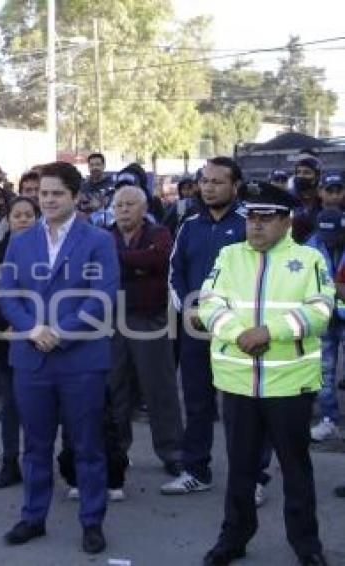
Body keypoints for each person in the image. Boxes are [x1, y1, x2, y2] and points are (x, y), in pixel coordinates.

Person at [198, 182, 332, 566]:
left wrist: (269, 331)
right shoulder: (229, 255)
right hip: (238, 382)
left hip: (290, 385)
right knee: (239, 469)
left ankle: (307, 545)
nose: (255, 226)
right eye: (250, 218)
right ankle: (233, 539)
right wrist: (236, 332)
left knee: (295, 470)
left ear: (286, 222)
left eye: (265, 218)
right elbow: (208, 303)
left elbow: (322, 311)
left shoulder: (309, 260)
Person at [0, 161, 119, 554]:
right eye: (43, 193)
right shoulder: (21, 241)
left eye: (56, 194)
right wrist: (33, 329)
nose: (47, 200)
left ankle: (91, 521)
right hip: (31, 358)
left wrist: (60, 333)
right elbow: (7, 293)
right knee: (35, 444)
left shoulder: (98, 240)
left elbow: (102, 297)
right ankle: (33, 517)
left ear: (75, 197)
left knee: (87, 445)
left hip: (81, 359)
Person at [164, 157, 250, 497]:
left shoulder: (250, 223)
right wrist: (187, 308)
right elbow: (175, 271)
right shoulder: (190, 224)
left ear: (235, 185)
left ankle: (252, 479)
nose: (209, 187)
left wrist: (228, 316)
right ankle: (196, 470)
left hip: (237, 331)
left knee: (241, 408)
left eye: (217, 181)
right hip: (195, 328)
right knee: (197, 403)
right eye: (205, 181)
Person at [107, 186, 183, 476]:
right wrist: (139, 263)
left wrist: (124, 261)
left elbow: (159, 261)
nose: (123, 210)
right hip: (112, 319)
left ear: (143, 209)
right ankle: (116, 453)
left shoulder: (159, 233)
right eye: (118, 205)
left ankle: (173, 452)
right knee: (115, 389)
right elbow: (103, 266)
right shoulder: (104, 235)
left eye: (129, 204)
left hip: (149, 319)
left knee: (159, 388)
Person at [0, 196, 40, 488]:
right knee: (10, 406)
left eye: (29, 214)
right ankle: (9, 462)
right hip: (4, 339)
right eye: (17, 214)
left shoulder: (46, 252)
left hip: (38, 338)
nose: (23, 219)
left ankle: (34, 463)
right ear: (8, 219)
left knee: (35, 407)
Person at [305, 208, 345, 442]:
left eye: (336, 236)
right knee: (324, 371)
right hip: (324, 316)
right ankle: (329, 420)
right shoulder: (312, 245)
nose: (329, 242)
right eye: (325, 237)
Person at [291, 156, 323, 244]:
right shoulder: (289, 200)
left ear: (316, 177)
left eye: (306, 173)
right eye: (298, 172)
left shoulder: (324, 200)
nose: (301, 176)